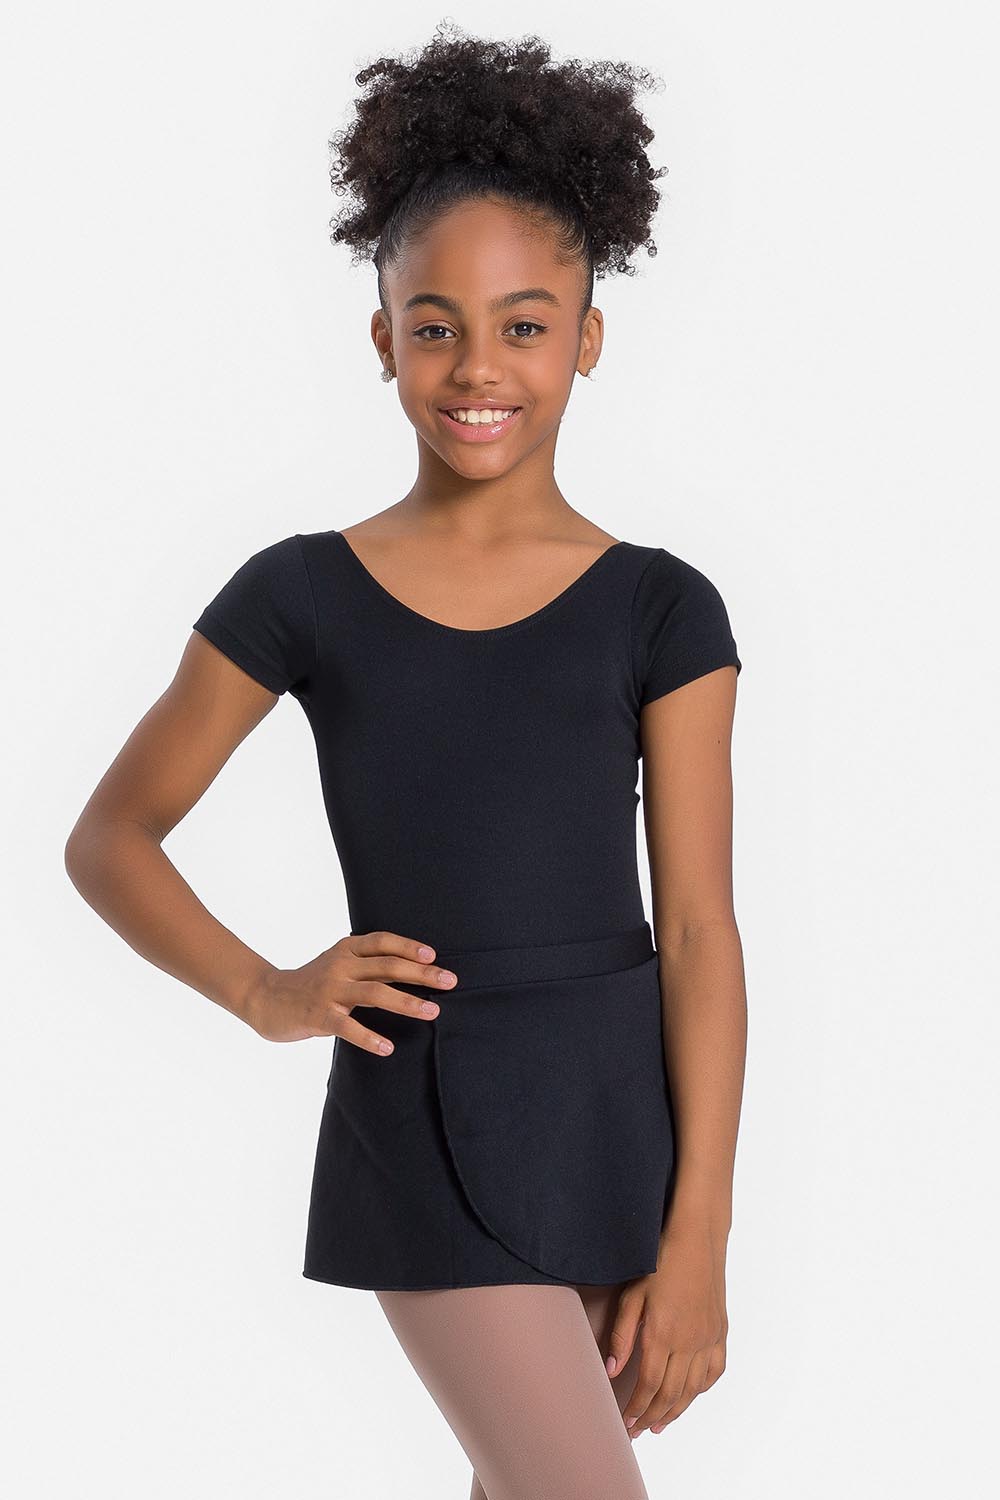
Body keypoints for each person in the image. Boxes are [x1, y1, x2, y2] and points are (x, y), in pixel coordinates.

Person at [64, 21, 748, 1500]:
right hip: (424, 1117)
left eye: (524, 325)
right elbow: (111, 836)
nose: (477, 366)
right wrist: (266, 990)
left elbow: (699, 930)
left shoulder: (663, 609)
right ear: (381, 338)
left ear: (587, 337)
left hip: (613, 1123)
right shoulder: (302, 594)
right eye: (434, 327)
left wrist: (698, 1233)